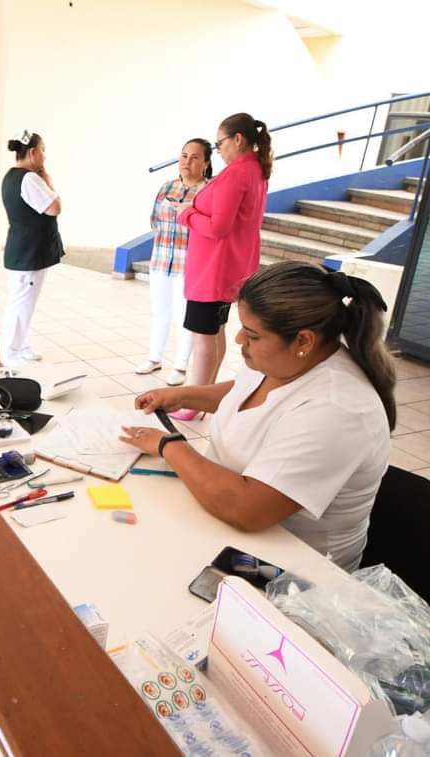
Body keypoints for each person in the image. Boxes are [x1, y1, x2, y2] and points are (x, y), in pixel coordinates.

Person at [120, 262, 395, 572]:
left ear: (303, 341)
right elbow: (246, 394)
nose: (239, 339)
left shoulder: (338, 409)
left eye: (252, 335)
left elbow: (247, 509)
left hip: (293, 574)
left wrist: (169, 444)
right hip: (225, 525)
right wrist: (182, 396)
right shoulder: (284, 359)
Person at [172, 113, 271, 419]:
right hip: (231, 267)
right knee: (215, 333)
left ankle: (191, 404)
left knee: (203, 338)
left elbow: (218, 227)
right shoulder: (256, 171)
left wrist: (187, 213)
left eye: (220, 144)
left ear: (237, 140)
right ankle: (205, 398)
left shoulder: (236, 174)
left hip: (213, 270)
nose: (220, 150)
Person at [136, 139, 212, 386]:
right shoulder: (167, 187)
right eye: (184, 156)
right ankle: (154, 357)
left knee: (183, 316)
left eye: (195, 157)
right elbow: (154, 220)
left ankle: (180, 366)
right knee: (160, 312)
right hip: (160, 261)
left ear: (206, 163)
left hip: (189, 265)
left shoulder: (208, 192)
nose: (187, 162)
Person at [0, 130, 63, 368]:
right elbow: (54, 207)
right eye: (43, 150)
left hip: (23, 249)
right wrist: (48, 180)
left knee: (25, 301)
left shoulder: (11, 175)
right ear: (33, 152)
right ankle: (10, 352)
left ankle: (22, 345)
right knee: (22, 303)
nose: (45, 155)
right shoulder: (29, 179)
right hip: (28, 252)